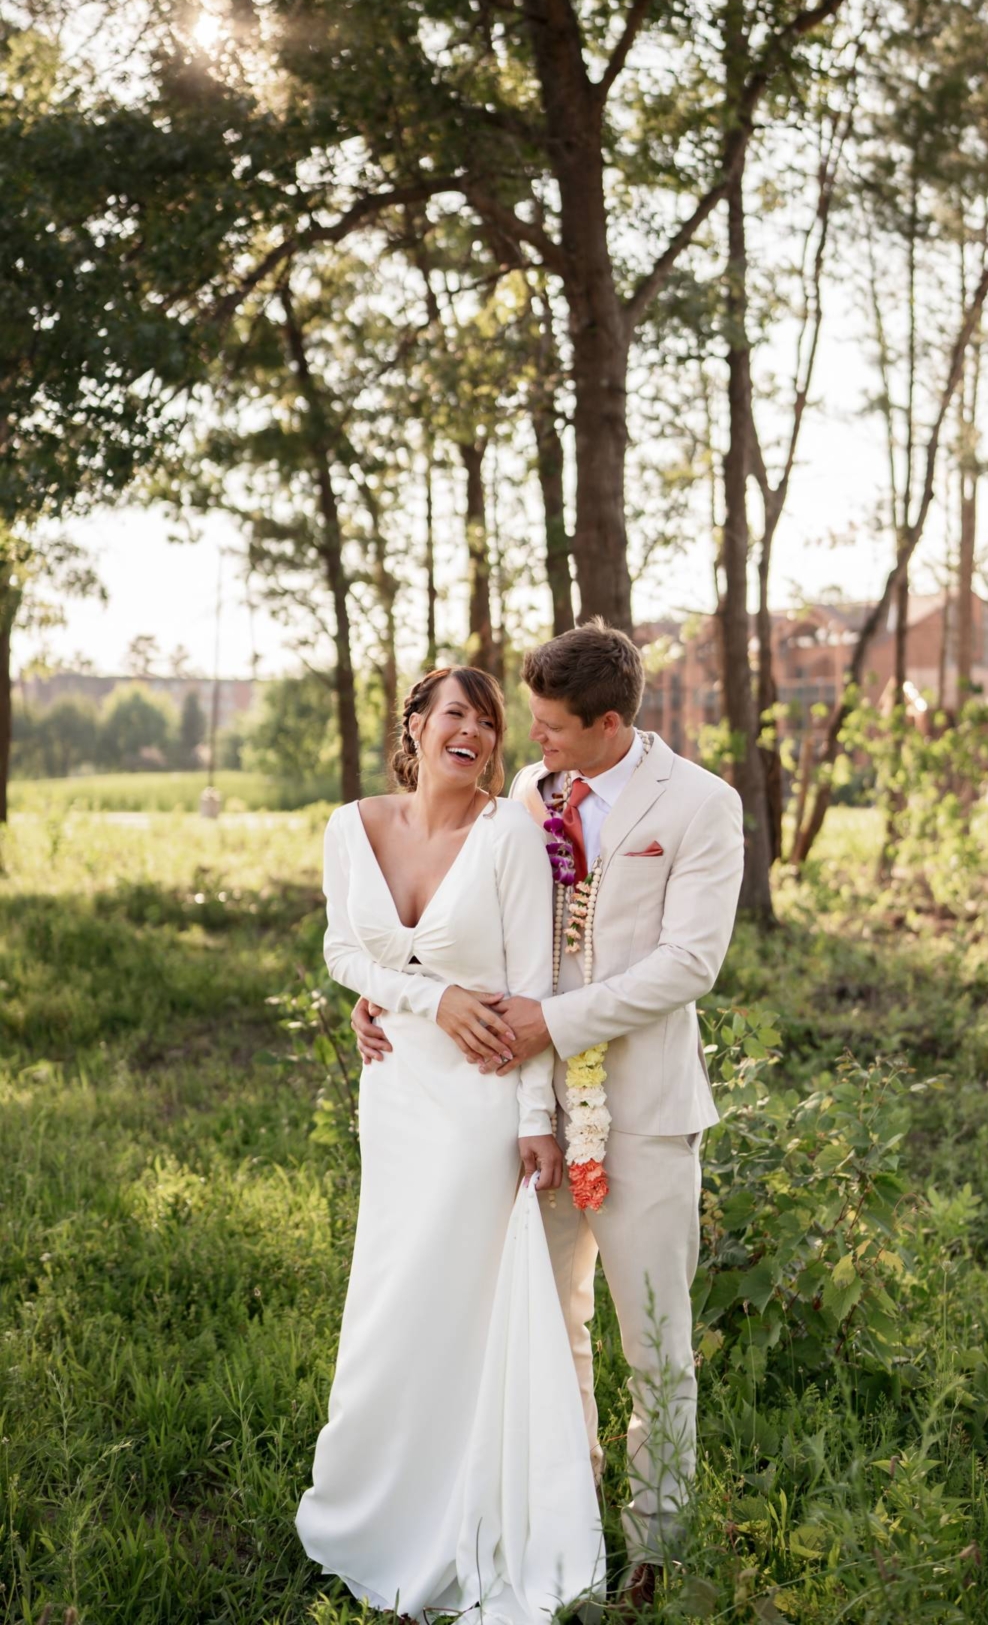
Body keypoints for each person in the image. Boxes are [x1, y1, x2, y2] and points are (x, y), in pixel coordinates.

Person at [352, 624, 745, 1607]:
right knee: (548, 1325)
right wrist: (392, 993)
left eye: (555, 727)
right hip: (523, 1113)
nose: (534, 742)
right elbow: (476, 926)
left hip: (644, 1111)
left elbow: (689, 964)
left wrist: (551, 1023)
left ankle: (657, 1548)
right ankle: (569, 1522)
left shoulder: (700, 804)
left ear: (610, 723)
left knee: (655, 1341)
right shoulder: (529, 795)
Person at [296, 665, 604, 1620]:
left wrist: (535, 1118)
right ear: (417, 727)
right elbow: (344, 951)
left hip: (481, 1101)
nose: (472, 731)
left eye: (489, 721)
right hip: (395, 1091)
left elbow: (532, 980)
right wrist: (426, 998)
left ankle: (470, 1517)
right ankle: (378, 1508)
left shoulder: (509, 834)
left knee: (463, 1307)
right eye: (455, 714)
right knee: (389, 1298)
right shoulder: (351, 826)